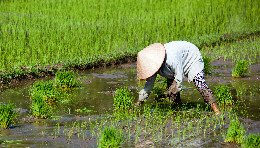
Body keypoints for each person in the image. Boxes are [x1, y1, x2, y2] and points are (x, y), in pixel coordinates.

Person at [136, 41, 220, 115]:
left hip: (191, 57)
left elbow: (179, 78)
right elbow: (148, 85)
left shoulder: (171, 59)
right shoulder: (153, 65)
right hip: (174, 66)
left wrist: (168, 92)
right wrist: (139, 102)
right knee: (171, 91)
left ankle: (216, 111)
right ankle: (177, 111)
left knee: (200, 84)